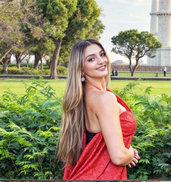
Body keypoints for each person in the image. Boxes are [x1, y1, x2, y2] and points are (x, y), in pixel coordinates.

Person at [57, 39, 140, 180]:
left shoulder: (84, 95)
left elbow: (102, 137)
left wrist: (125, 146)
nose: (101, 61)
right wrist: (129, 153)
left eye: (102, 54)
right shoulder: (104, 99)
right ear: (81, 68)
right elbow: (119, 157)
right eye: (91, 59)